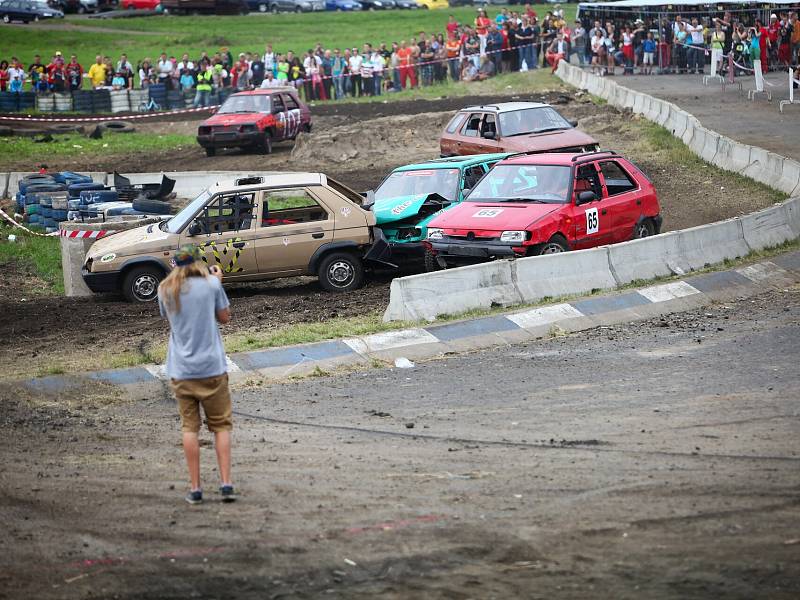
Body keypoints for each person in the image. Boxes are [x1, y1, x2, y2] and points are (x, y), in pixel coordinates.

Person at [158, 245, 236, 505]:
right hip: (212, 368)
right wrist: (217, 282)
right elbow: (224, 317)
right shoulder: (211, 285)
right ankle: (225, 484)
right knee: (221, 426)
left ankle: (195, 488)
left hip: (181, 370)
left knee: (190, 428)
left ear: (175, 265)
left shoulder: (165, 290)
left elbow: (168, 320)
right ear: (198, 263)